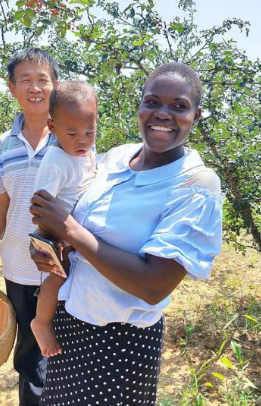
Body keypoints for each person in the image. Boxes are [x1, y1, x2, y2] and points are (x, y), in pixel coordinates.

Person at [29, 62, 223, 406]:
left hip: (119, 342)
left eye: (178, 106)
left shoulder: (195, 185)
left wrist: (69, 230)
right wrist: (53, 246)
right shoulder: (117, 157)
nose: (162, 114)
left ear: (196, 114)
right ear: (140, 106)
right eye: (152, 101)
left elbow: (153, 286)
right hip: (70, 322)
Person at [0, 47, 59, 406]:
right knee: (30, 355)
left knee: (62, 347)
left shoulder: (72, 137)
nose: (35, 88)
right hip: (18, 268)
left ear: (55, 85)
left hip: (64, 271)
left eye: (43, 79)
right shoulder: (3, 145)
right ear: (12, 88)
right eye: (26, 80)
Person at [31, 81, 98, 358]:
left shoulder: (86, 152)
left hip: (76, 236)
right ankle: (41, 323)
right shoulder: (56, 160)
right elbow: (39, 203)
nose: (82, 140)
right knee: (57, 278)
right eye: (72, 133)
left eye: (90, 132)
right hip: (59, 238)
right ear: (52, 126)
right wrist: (51, 240)